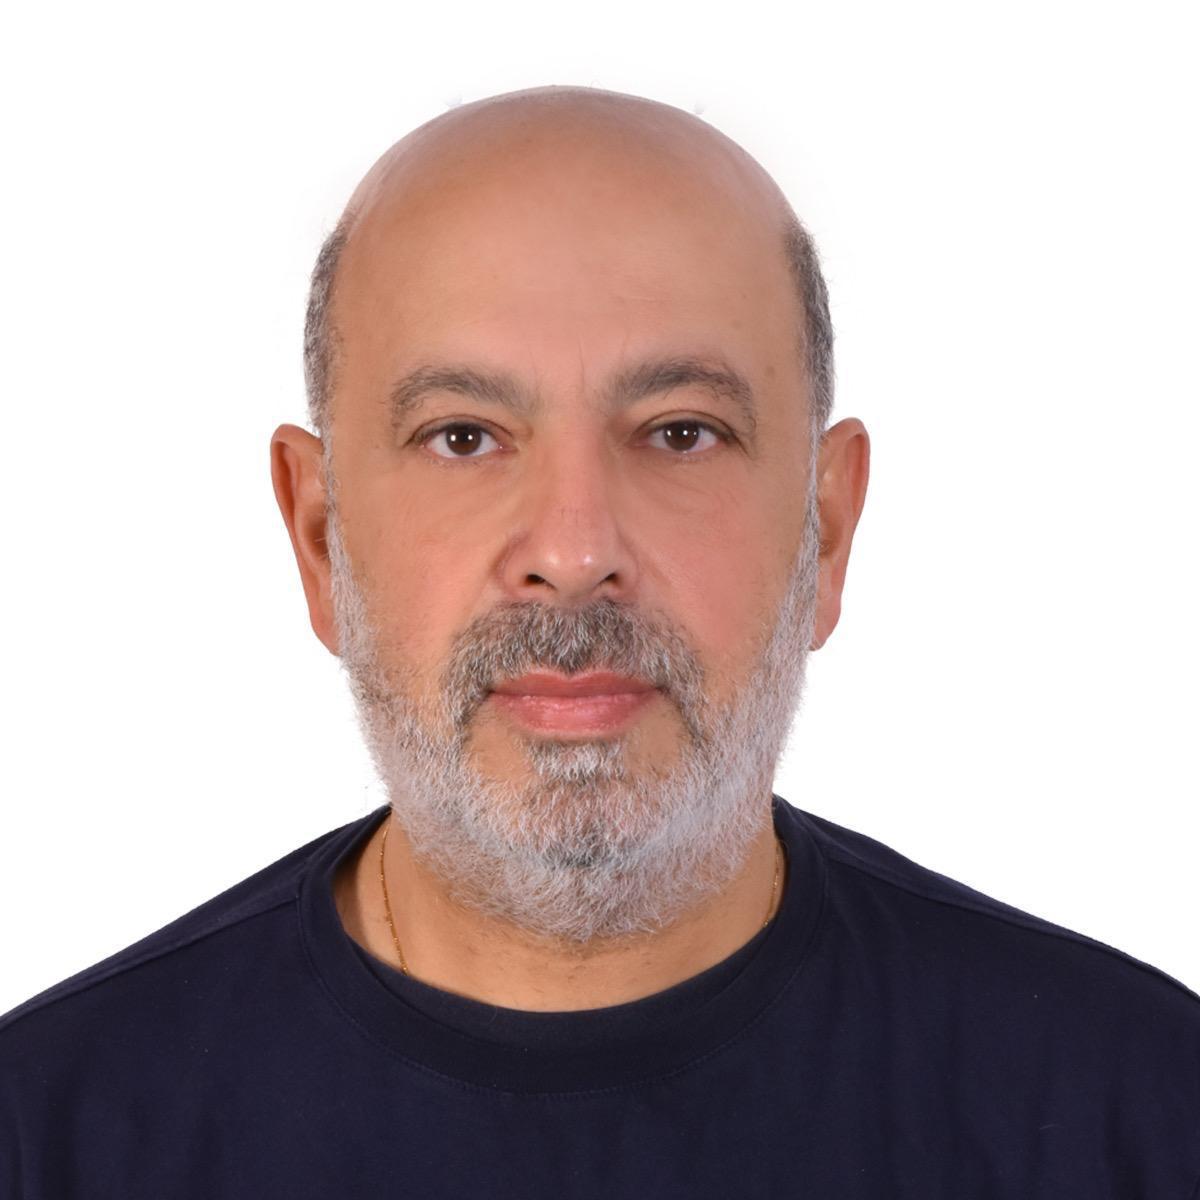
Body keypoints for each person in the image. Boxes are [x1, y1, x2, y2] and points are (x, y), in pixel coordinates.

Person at [2, 85, 1197, 1198]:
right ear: (321, 539)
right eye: (463, 437)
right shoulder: (46, 1138)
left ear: (825, 530)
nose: (574, 552)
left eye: (680, 432)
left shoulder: (1141, 1116)